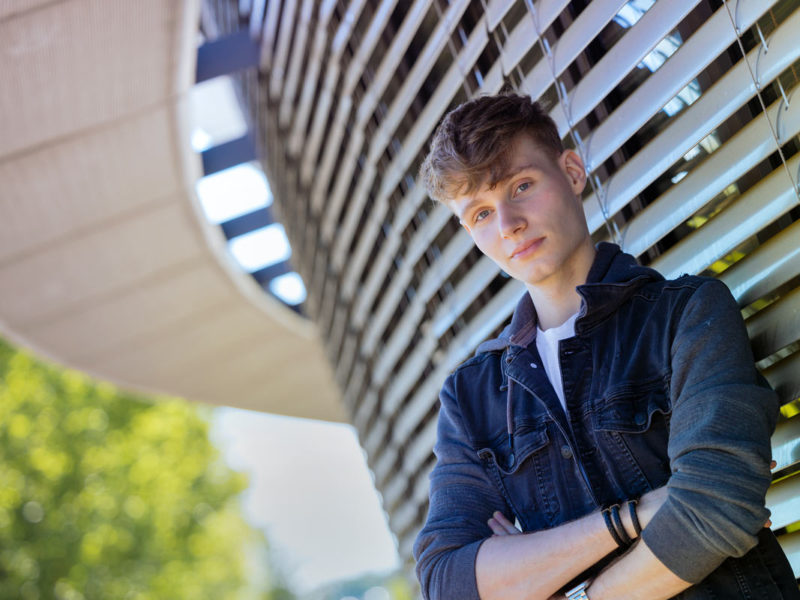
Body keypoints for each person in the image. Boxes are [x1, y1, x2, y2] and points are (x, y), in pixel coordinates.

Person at [412, 92, 799, 600]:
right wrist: (633, 517)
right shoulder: (472, 397)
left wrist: (554, 579)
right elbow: (448, 582)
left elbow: (716, 507)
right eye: (481, 214)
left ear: (572, 172)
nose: (508, 225)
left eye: (521, 186)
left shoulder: (684, 315)